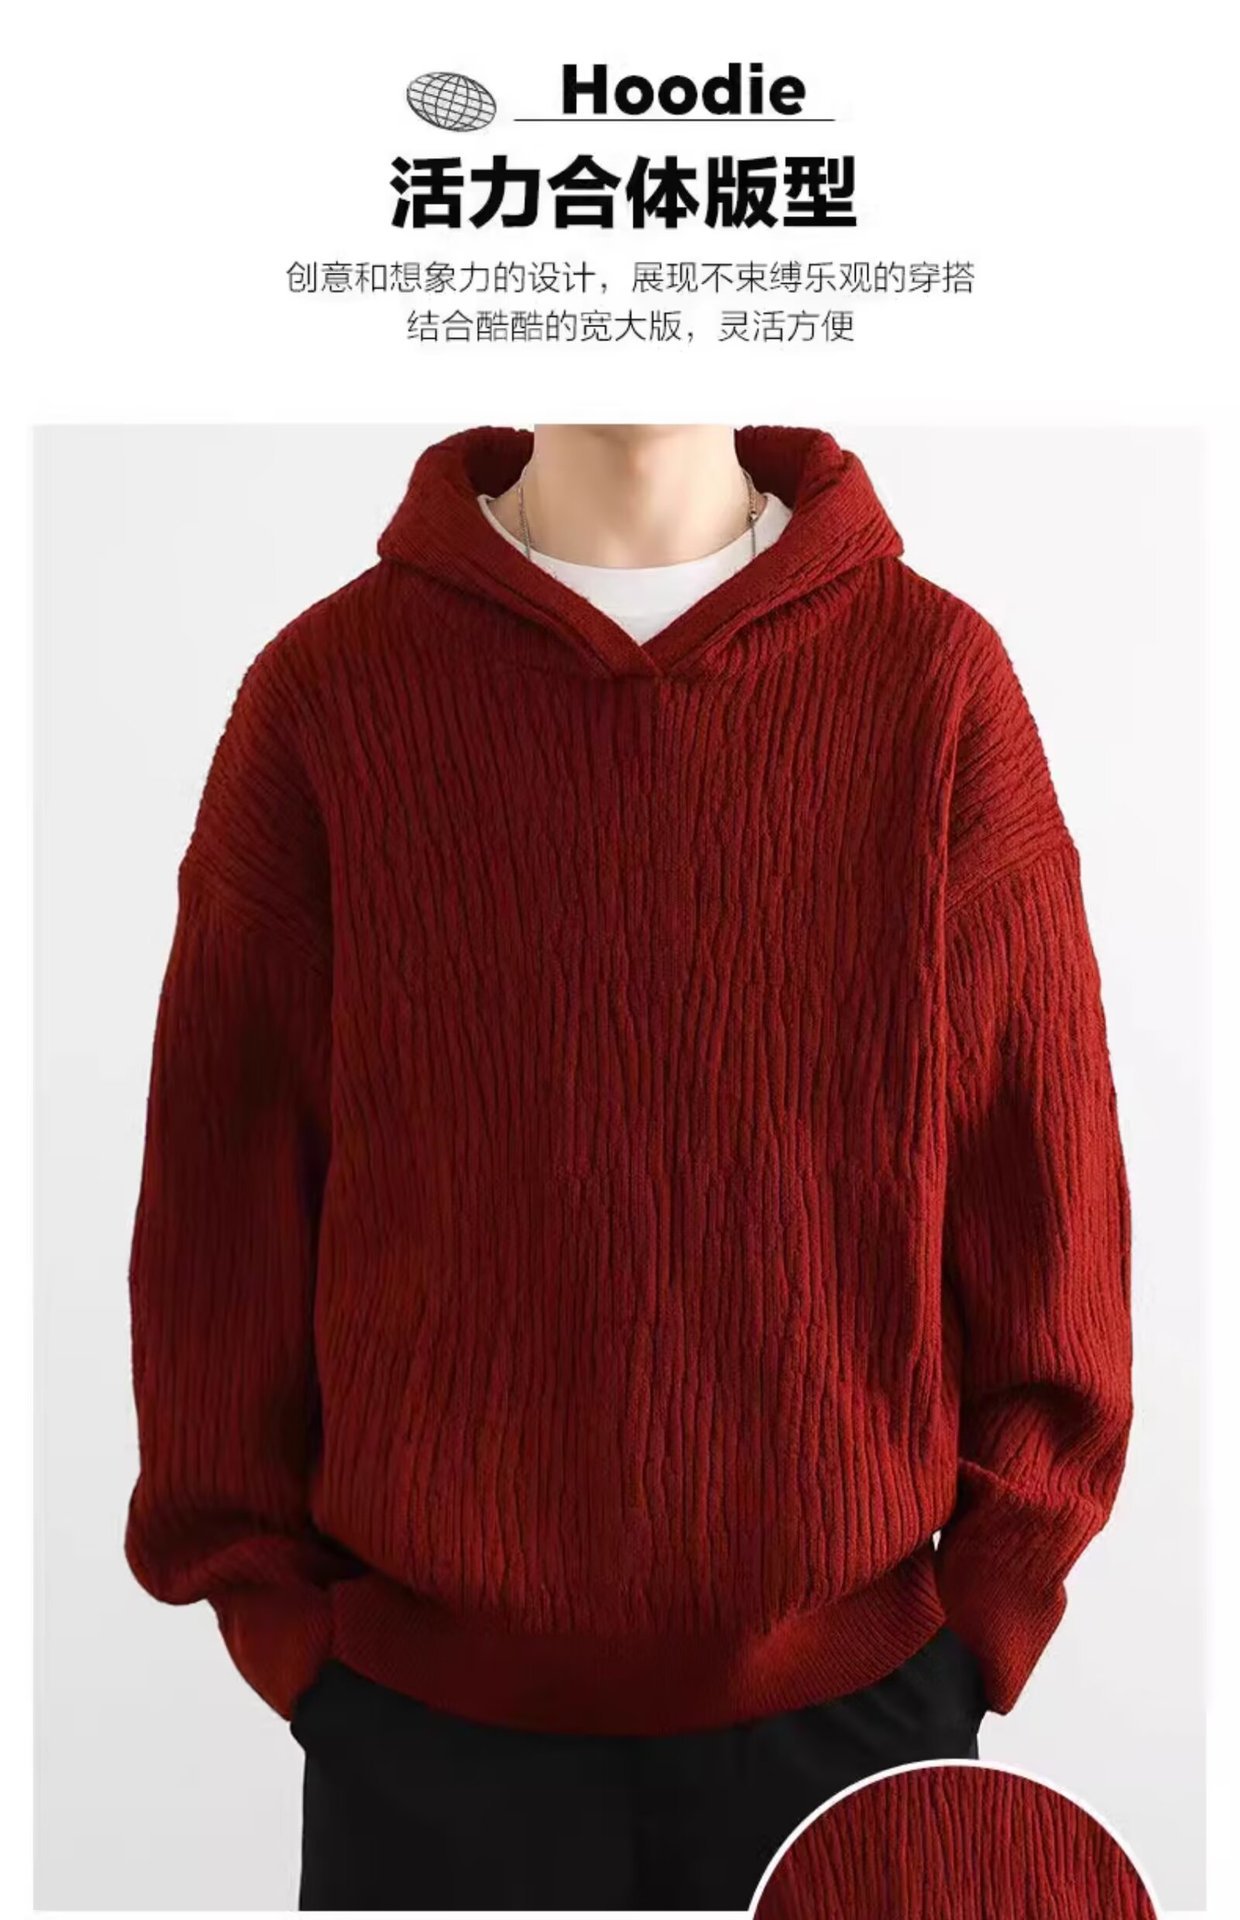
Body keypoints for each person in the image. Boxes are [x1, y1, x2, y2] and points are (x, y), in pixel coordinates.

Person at [122, 422, 1133, 1910]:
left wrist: (980, 1617)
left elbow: (1047, 1197)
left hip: (857, 1724)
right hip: (426, 1746)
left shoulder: (934, 685)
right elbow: (221, 1206)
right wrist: (292, 1636)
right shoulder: (330, 695)